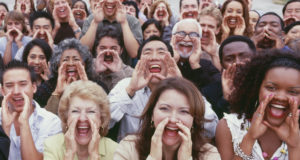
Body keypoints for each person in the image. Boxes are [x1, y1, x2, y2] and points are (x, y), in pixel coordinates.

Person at [109, 36, 218, 141]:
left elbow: (211, 128)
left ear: (171, 61)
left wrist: (182, 86)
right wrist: (131, 90)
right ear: (139, 61)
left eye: (161, 52)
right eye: (147, 53)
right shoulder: (126, 85)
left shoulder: (184, 88)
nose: (154, 57)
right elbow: (103, 124)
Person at [216, 49, 300, 160]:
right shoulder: (229, 126)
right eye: (271, 88)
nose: (280, 97)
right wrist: (250, 137)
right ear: (256, 88)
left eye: (293, 92)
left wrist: (294, 146)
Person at [114, 77, 221, 160]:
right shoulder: (129, 147)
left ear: (194, 119)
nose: (173, 119)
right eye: (165, 109)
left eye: (184, 111)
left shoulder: (209, 154)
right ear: (152, 113)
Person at [0, 60, 62, 160]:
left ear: (33, 87)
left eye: (23, 84)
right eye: (9, 86)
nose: (16, 92)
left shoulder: (51, 122)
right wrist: (5, 129)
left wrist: (24, 124)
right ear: (2, 91)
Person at [44, 80, 117, 160]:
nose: (82, 118)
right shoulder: (51, 145)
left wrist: (94, 155)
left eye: (91, 111)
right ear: (66, 117)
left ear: (101, 119)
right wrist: (69, 153)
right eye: (75, 111)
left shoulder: (115, 150)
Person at [34, 38, 108, 108]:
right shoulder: (48, 87)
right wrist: (57, 94)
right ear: (58, 64)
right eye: (65, 60)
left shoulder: (98, 86)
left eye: (76, 59)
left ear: (85, 64)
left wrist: (86, 90)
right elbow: (40, 117)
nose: (71, 63)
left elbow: (103, 114)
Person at [80, 0, 143, 65]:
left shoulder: (132, 21)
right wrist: (95, 22)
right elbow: (82, 50)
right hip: (96, 71)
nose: (110, 1)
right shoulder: (91, 19)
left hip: (123, 71)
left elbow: (134, 53)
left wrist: (124, 23)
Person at [93, 25, 133, 91]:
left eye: (113, 49)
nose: (108, 54)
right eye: (103, 48)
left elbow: (125, 98)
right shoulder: (87, 67)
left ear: (121, 50)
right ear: (96, 49)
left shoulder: (130, 73)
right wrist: (96, 72)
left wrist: (118, 73)